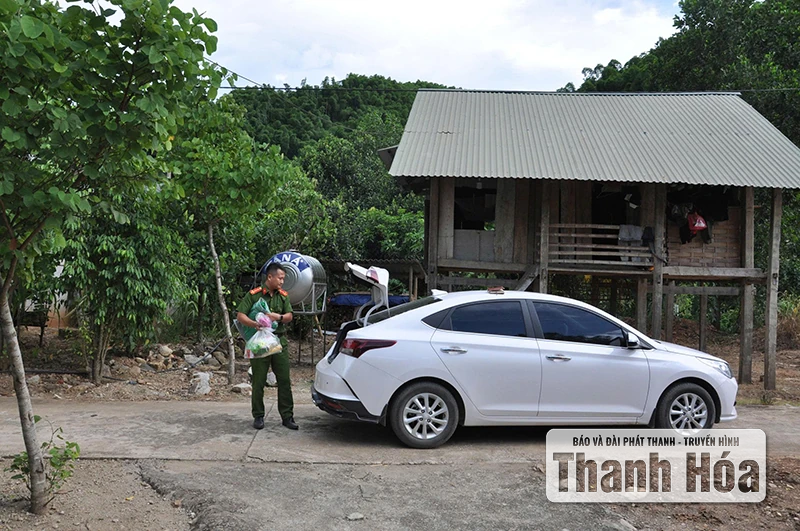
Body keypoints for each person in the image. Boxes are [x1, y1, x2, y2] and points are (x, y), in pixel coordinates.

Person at [236, 263, 297, 430]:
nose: (282, 282)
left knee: (284, 380)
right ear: (270, 277)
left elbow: (290, 316)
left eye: (283, 278)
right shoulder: (254, 295)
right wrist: (254, 323)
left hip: (279, 343)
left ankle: (287, 416)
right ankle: (258, 416)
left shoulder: (283, 296)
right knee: (259, 380)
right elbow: (240, 315)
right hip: (260, 343)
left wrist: (280, 316)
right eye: (280, 278)